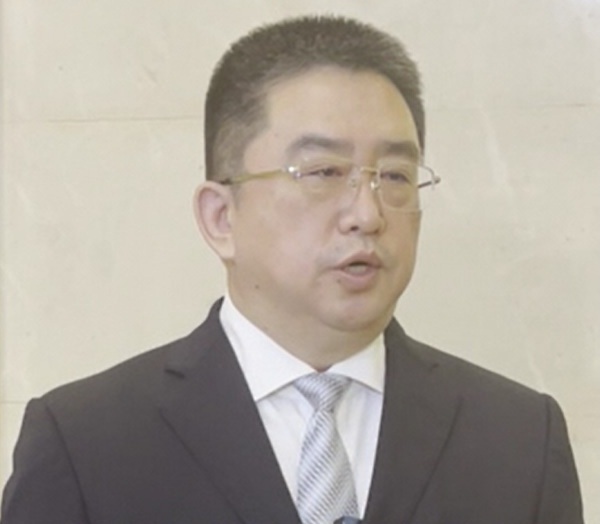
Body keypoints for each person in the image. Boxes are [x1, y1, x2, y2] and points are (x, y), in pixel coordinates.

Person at [1, 15, 583, 524]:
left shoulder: (518, 440)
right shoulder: (87, 443)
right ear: (221, 217)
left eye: (395, 176)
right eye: (324, 172)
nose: (368, 214)